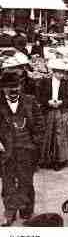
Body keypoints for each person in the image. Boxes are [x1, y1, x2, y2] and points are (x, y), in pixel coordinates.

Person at [0, 73, 44, 226]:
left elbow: (39, 124)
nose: (14, 91)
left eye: (16, 87)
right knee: (8, 182)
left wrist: (36, 144)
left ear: (21, 86)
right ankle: (10, 212)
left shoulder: (30, 101)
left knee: (26, 181)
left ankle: (26, 211)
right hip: (5, 150)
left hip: (27, 148)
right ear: (3, 88)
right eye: (9, 88)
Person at [37, 58, 68, 171]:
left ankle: (59, 160)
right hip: (47, 110)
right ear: (53, 71)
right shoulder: (44, 82)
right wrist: (47, 102)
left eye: (62, 72)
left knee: (60, 134)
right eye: (58, 72)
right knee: (47, 134)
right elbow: (39, 96)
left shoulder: (66, 83)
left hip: (61, 110)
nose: (61, 74)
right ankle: (45, 159)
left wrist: (62, 102)